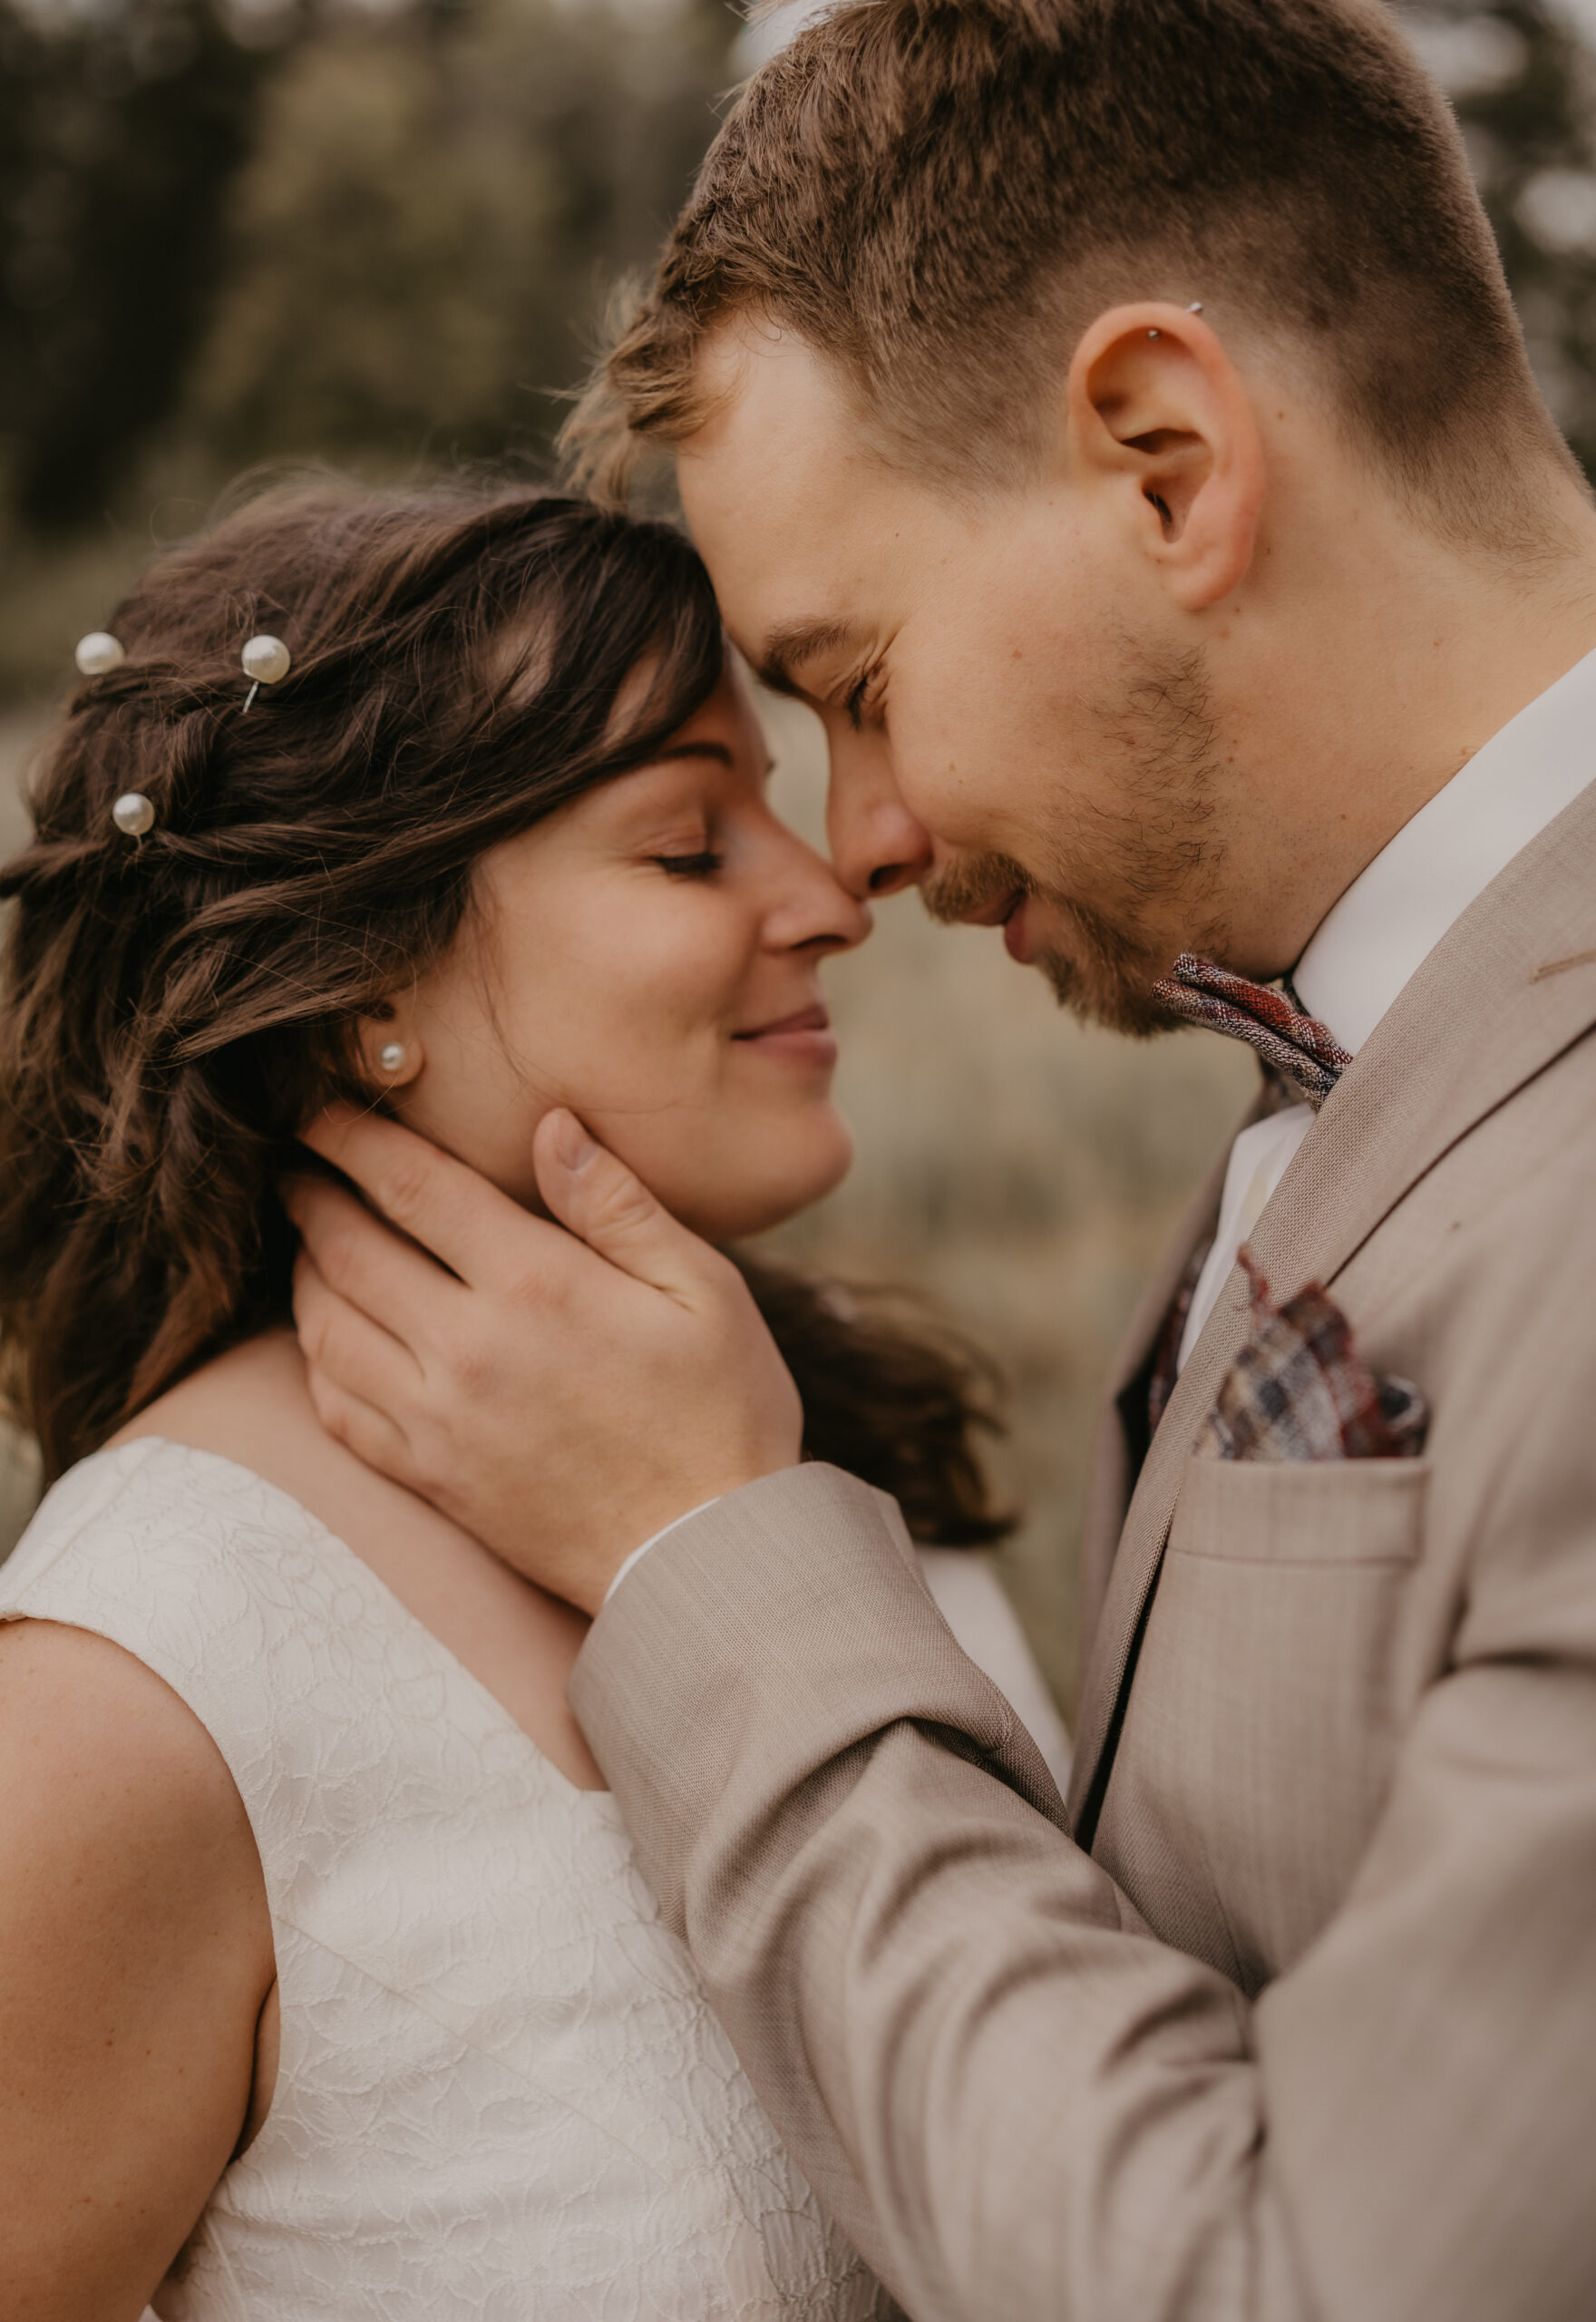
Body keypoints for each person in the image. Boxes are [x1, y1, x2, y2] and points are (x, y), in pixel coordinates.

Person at [283, 0, 1596, 2316]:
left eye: (854, 678)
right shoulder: (1379, 1035)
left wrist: (698, 1556)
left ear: (1162, 457)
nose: (871, 841)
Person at [0, 477, 1059, 2317]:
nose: (827, 895)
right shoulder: (139, 1682)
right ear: (367, 984)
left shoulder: (829, 1441)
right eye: (687, 841)